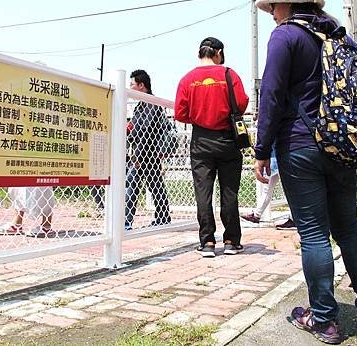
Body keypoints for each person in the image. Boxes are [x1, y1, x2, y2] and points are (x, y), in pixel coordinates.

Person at [253, 0, 357, 344]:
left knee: (314, 233)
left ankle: (325, 319)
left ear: (285, 5)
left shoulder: (285, 36)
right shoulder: (332, 33)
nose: (271, 13)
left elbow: (272, 95)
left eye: (273, 6)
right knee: (348, 229)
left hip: (299, 146)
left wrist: (261, 150)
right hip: (340, 146)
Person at [174, 37, 249, 258]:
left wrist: (199, 115)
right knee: (229, 191)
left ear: (200, 54)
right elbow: (242, 103)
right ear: (218, 53)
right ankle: (231, 241)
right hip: (227, 139)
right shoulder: (229, 74)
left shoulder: (187, 79)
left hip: (200, 140)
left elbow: (180, 113)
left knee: (203, 192)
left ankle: (207, 242)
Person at [125, 69, 171, 230]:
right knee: (154, 187)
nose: (129, 87)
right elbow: (138, 131)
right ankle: (163, 217)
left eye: (131, 84)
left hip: (145, 155)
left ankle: (126, 221)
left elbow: (145, 132)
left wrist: (137, 157)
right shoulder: (144, 105)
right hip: (147, 155)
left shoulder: (150, 105)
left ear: (141, 85)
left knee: (135, 186)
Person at [240, 146, 296, 230]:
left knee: (288, 189)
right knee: (288, 189)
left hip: (276, 158)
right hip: (279, 157)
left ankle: (257, 215)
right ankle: (257, 215)